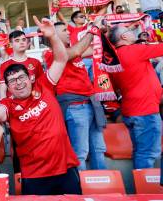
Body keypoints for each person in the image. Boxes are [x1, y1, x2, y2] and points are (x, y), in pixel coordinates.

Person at [0, 16, 81, 195]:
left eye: (21, 77)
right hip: (34, 176)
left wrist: (53, 36)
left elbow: (62, 59)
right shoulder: (8, 103)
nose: (18, 83)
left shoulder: (44, 85)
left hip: (65, 170)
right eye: (12, 81)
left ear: (30, 78)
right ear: (7, 86)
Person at [46, 20, 107, 170]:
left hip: (90, 104)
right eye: (64, 30)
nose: (68, 32)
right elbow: (76, 51)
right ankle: (81, 191)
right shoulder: (51, 53)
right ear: (53, 35)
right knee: (80, 153)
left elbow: (93, 48)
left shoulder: (73, 50)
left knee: (98, 150)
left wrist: (102, 32)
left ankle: (103, 191)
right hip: (76, 107)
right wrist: (92, 30)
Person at [108, 24, 163, 169]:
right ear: (124, 37)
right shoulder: (134, 50)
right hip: (145, 111)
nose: (133, 32)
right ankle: (146, 189)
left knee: (141, 152)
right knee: (148, 153)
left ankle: (141, 186)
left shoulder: (113, 58)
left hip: (132, 110)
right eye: (129, 30)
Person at [0, 30, 43, 100]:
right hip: (14, 106)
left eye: (23, 39)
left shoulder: (36, 62)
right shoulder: (5, 65)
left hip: (34, 103)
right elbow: (2, 92)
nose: (21, 42)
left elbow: (42, 85)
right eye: (17, 40)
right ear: (11, 44)